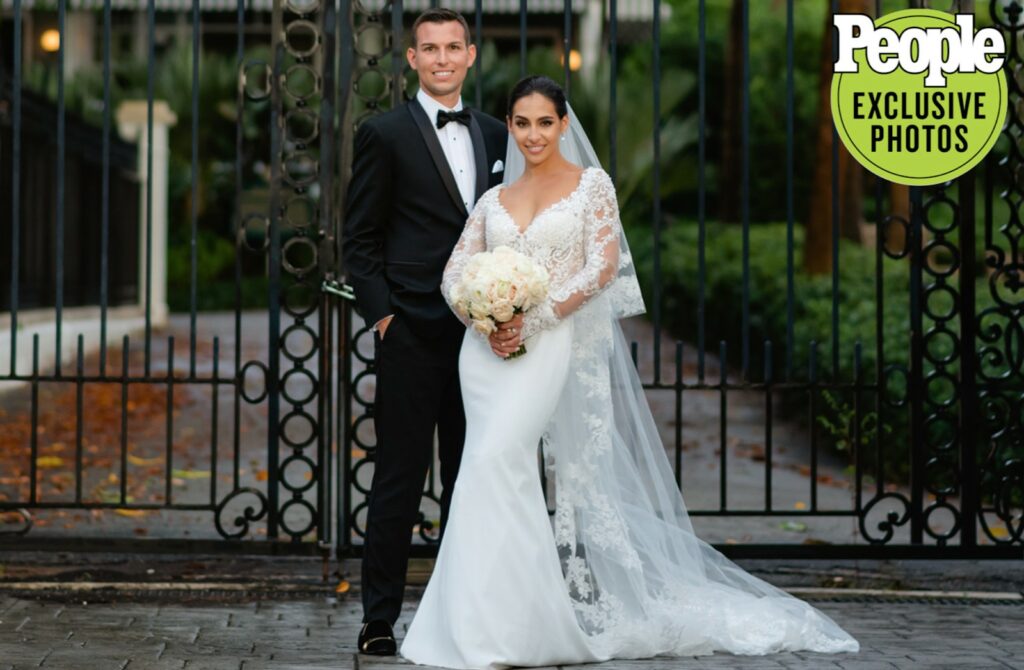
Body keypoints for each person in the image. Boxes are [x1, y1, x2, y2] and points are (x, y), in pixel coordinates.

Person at [399, 75, 860, 669]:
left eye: (544, 122)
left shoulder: (592, 186)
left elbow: (601, 267)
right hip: (485, 355)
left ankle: (516, 622)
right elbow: (453, 273)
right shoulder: (493, 201)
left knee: (495, 462)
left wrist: (534, 316)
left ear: (564, 125)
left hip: (548, 344)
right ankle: (479, 621)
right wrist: (483, 317)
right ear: (508, 128)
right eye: (521, 123)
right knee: (485, 471)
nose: (533, 134)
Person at [341, 8, 508, 655]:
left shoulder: (497, 134)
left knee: (472, 478)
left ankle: (467, 614)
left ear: (471, 55)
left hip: (482, 336)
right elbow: (360, 239)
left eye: (452, 47)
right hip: (410, 331)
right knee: (399, 478)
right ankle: (378, 619)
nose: (441, 58)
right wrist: (384, 316)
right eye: (429, 48)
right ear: (410, 59)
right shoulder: (383, 134)